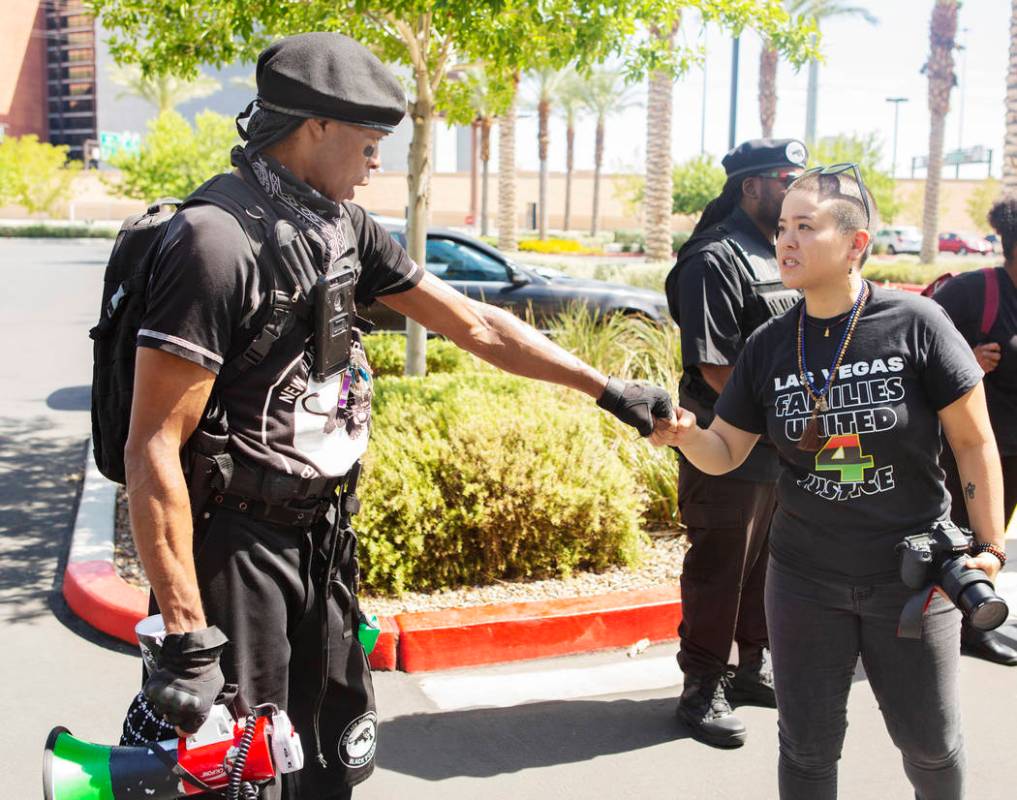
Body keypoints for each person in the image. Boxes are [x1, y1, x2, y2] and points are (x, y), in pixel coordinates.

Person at [119, 32, 677, 800]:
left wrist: (606, 388)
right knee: (239, 778)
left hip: (321, 537)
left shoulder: (340, 224)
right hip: (236, 550)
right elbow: (152, 445)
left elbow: (473, 324)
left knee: (331, 759)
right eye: (370, 141)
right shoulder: (216, 240)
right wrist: (185, 633)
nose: (377, 160)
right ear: (314, 127)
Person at [654, 164, 1006, 799]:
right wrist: (685, 434)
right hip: (804, 581)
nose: (786, 240)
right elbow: (727, 450)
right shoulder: (768, 344)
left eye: (806, 227)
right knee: (808, 748)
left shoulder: (917, 323)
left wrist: (989, 546)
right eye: (784, 226)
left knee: (929, 745)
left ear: (855, 243)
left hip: (911, 579)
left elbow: (973, 440)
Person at [664, 138, 807, 747]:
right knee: (719, 568)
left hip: (783, 442)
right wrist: (776, 420)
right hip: (727, 440)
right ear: (751, 187)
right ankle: (702, 687)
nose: (796, 188)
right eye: (784, 178)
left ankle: (751, 668)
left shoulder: (783, 250)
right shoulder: (713, 258)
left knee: (769, 564)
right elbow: (717, 367)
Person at [931, 196, 1017, 666]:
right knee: (965, 539)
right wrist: (968, 357)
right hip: (974, 450)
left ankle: (974, 621)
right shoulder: (973, 291)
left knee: (994, 541)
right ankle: (952, 627)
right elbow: (917, 350)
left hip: (1015, 450)